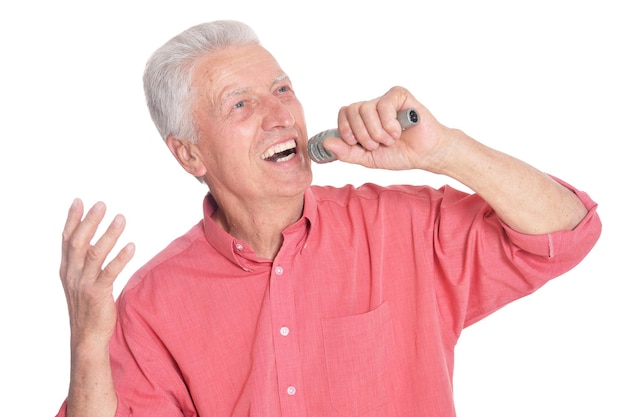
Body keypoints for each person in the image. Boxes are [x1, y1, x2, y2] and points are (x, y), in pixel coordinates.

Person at [55, 20, 601, 417]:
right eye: (240, 105)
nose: (280, 116)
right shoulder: (154, 301)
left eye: (282, 89)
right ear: (190, 154)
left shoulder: (399, 227)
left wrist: (444, 151)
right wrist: (86, 345)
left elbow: (568, 231)